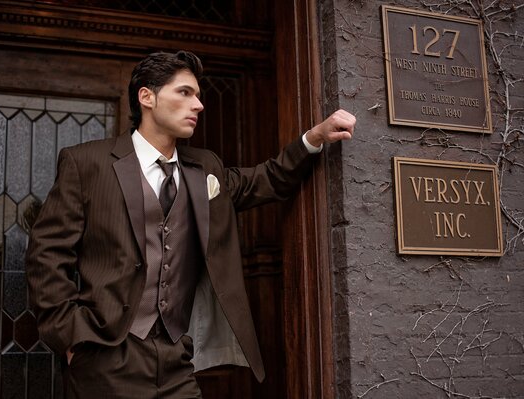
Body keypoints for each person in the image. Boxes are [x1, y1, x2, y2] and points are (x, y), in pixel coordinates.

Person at [26, 50, 355, 399]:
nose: (198, 105)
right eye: (185, 92)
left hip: (176, 360)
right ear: (146, 97)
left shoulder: (205, 168)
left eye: (198, 95)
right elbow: (46, 255)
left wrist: (315, 138)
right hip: (104, 355)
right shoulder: (87, 163)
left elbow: (267, 179)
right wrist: (71, 337)